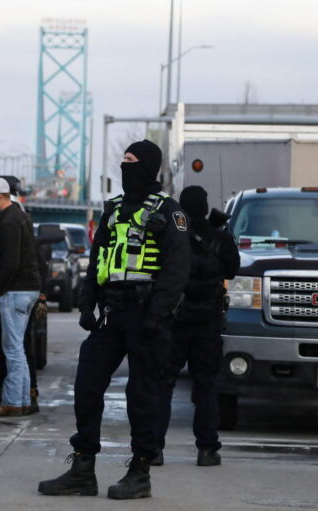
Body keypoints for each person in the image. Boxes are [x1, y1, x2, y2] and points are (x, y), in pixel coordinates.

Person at [38, 140, 190, 500]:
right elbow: (98, 259)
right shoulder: (113, 210)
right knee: (87, 386)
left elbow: (177, 269)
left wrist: (157, 315)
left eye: (131, 161)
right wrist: (87, 304)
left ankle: (140, 472)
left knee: (143, 395)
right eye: (122, 160)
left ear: (148, 166)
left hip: (147, 314)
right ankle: (82, 468)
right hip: (111, 313)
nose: (124, 166)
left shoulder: (169, 212)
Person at [154, 185, 240, 467]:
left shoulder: (173, 233)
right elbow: (232, 269)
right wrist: (219, 234)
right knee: (206, 387)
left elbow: (160, 269)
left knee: (163, 384)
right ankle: (207, 449)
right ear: (205, 206)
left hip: (175, 320)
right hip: (208, 322)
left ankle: (153, 448)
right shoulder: (221, 237)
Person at [0, 177, 41, 417]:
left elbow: (9, 261)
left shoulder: (8, 221)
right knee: (19, 348)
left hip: (14, 291)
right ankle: (24, 399)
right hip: (28, 289)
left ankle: (12, 402)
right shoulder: (21, 217)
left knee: (12, 350)